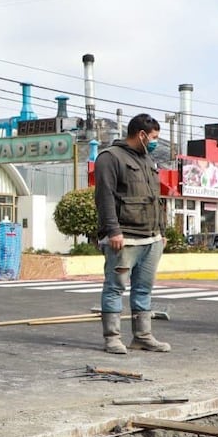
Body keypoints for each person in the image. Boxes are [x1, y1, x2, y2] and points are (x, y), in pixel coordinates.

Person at [93, 113, 171, 355]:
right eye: (154, 137)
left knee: (143, 289)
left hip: (151, 239)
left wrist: (161, 232)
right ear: (142, 134)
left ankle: (142, 336)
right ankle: (112, 338)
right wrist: (113, 231)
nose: (156, 141)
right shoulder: (110, 158)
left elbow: (155, 200)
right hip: (124, 238)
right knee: (115, 288)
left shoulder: (147, 159)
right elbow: (104, 197)